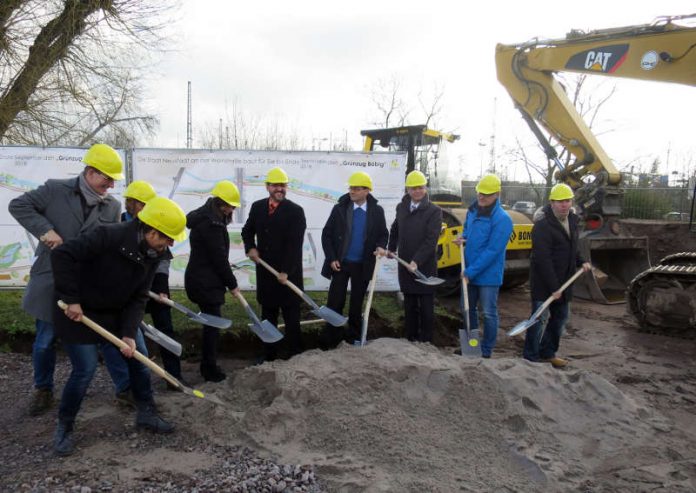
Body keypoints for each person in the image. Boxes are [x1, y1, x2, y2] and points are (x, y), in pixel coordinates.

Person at [50, 196, 187, 456]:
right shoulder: (107, 236)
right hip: (79, 312)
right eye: (167, 238)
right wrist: (71, 299)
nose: (170, 244)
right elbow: (62, 255)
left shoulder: (154, 253)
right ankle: (65, 427)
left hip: (116, 313)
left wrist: (128, 332)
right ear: (151, 230)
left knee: (139, 358)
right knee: (85, 370)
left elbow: (139, 297)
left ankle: (146, 412)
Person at [8, 143, 132, 416]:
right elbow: (19, 205)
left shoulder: (112, 207)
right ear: (90, 172)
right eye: (106, 178)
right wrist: (45, 230)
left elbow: (108, 245)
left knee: (107, 337)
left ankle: (126, 391)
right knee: (45, 339)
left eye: (113, 180)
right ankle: (43, 389)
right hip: (51, 279)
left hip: (88, 284)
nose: (110, 185)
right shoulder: (55, 190)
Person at [122, 180, 184, 385]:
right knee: (131, 334)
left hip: (155, 289)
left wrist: (161, 287)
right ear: (130, 203)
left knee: (165, 329)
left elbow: (163, 259)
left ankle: (174, 377)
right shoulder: (120, 225)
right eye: (142, 204)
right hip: (130, 292)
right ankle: (134, 384)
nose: (145, 209)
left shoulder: (155, 224)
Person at [242, 167, 306, 361]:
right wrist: (250, 247)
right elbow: (247, 231)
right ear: (267, 187)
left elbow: (295, 246)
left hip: (288, 274)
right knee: (268, 316)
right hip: (266, 273)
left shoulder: (295, 212)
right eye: (275, 185)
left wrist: (286, 271)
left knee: (291, 318)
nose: (280, 188)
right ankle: (269, 355)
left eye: (283, 185)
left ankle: (294, 355)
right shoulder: (257, 207)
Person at [523, 183, 591, 368]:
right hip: (544, 283)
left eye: (567, 200)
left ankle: (548, 352)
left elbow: (571, 247)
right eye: (560, 201)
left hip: (564, 281)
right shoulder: (542, 226)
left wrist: (581, 260)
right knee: (538, 320)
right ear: (552, 202)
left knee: (560, 319)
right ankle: (530, 357)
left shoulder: (572, 220)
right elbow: (542, 259)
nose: (564, 205)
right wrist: (553, 288)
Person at [320, 171, 388, 347]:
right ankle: (331, 340)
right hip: (340, 264)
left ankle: (354, 338)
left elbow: (383, 234)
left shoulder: (376, 211)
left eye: (356, 189)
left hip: (362, 265)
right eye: (351, 188)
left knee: (356, 305)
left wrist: (381, 246)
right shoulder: (340, 209)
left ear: (366, 191)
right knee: (335, 302)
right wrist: (332, 258)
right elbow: (326, 235)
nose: (352, 192)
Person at [184, 180, 241, 382]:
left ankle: (208, 364)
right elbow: (218, 259)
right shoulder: (212, 224)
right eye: (231, 206)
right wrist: (232, 284)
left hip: (202, 277)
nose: (232, 210)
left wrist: (224, 269)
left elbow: (213, 255)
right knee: (213, 326)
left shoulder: (206, 216)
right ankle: (209, 369)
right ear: (222, 204)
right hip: (205, 282)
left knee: (211, 324)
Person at [457, 174, 512, 358]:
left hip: (488, 274)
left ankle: (486, 350)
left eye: (487, 194)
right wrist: (463, 238)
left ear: (497, 194)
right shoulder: (472, 210)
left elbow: (493, 251)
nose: (481, 197)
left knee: (488, 313)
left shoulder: (503, 219)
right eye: (480, 193)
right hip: (470, 270)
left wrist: (470, 271)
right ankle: (472, 346)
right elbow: (467, 229)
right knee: (467, 309)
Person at [387, 170, 442, 343]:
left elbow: (431, 239)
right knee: (410, 305)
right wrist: (391, 248)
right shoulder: (401, 207)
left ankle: (426, 341)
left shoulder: (434, 211)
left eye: (420, 188)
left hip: (424, 267)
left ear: (425, 188)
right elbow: (395, 228)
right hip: (405, 264)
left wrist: (417, 261)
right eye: (413, 188)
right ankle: (410, 339)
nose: (417, 191)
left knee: (426, 307)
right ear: (408, 190)